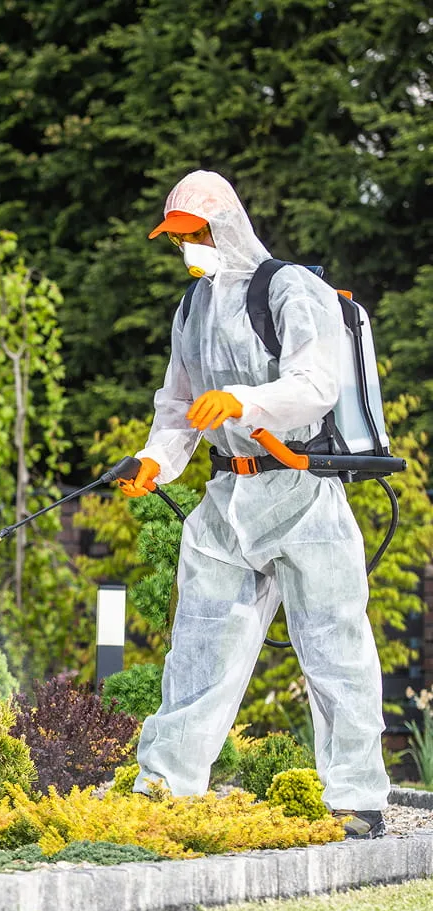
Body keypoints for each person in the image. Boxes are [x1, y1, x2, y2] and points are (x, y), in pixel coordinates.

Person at [119, 169, 389, 839]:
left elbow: (316, 382)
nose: (187, 249)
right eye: (178, 239)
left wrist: (245, 400)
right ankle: (165, 785)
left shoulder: (293, 290)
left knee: (334, 646)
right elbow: (178, 406)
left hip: (301, 490)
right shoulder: (193, 308)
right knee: (198, 647)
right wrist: (157, 460)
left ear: (225, 227)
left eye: (194, 235)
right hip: (226, 494)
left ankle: (357, 796)